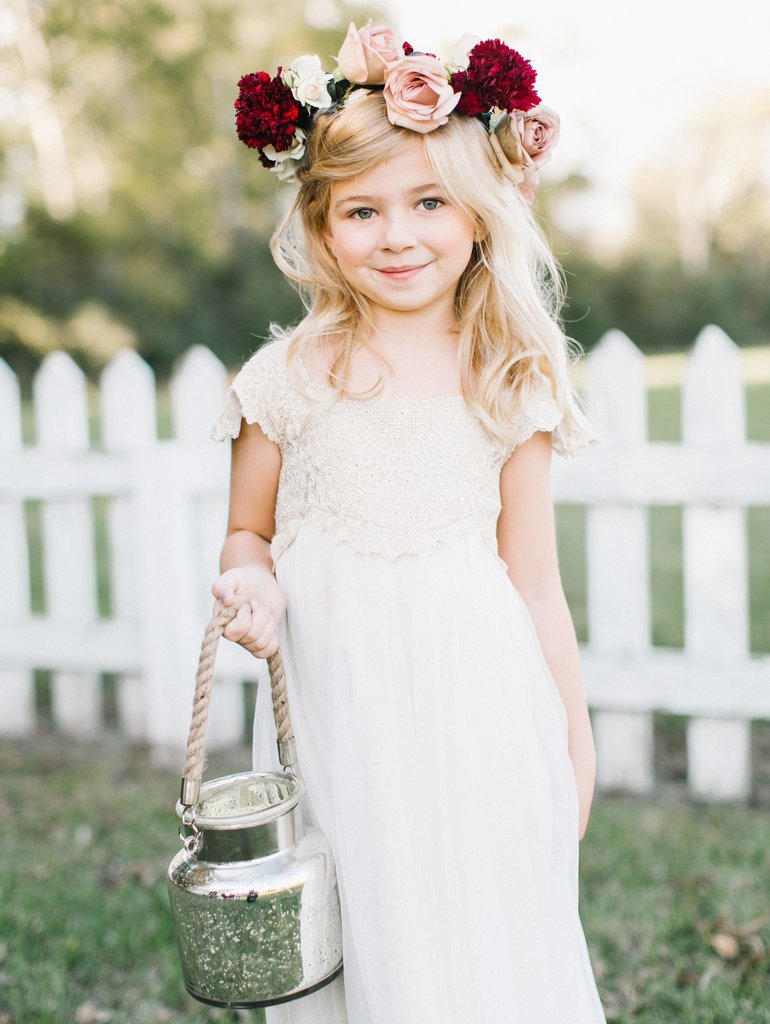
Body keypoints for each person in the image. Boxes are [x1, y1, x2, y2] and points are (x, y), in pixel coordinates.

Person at [210, 23, 607, 1024]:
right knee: (367, 914)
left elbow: (534, 581)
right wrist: (249, 579)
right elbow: (246, 531)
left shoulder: (507, 379)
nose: (397, 235)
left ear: (477, 211)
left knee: (481, 923)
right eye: (362, 210)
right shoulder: (287, 381)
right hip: (345, 716)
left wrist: (573, 743)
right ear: (317, 220)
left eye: (429, 202)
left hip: (481, 712)